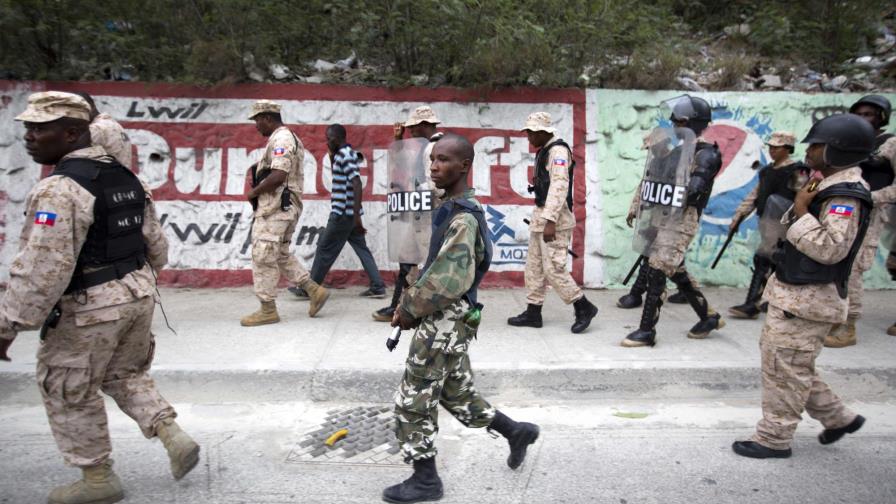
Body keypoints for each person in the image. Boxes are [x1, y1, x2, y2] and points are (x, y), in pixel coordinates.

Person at [0, 91, 199, 504]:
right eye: (28, 128)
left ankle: (97, 479)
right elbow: (157, 247)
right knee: (124, 374)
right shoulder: (126, 177)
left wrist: (7, 325)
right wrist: (134, 283)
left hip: (91, 306)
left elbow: (42, 271)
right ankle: (172, 434)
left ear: (73, 133)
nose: (30, 137)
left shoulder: (59, 190)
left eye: (41, 129)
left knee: (67, 386)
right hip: (136, 293)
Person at [384, 134, 539, 504]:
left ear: (464, 166)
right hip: (450, 318)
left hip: (444, 318)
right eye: (432, 159)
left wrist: (409, 309)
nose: (434, 166)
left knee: (414, 398)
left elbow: (447, 280)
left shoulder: (463, 217)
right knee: (456, 392)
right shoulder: (452, 206)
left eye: (444, 160)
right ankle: (515, 431)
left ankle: (425, 481)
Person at [733, 113, 875, 459]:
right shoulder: (823, 184)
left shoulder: (845, 195)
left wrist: (800, 207)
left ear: (837, 150)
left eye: (816, 146)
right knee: (788, 364)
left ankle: (774, 438)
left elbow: (830, 248)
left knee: (786, 366)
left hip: (809, 299)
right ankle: (838, 418)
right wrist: (803, 202)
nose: (808, 152)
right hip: (796, 294)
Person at [622, 95, 725, 347]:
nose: (675, 125)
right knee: (676, 271)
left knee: (657, 270)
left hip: (682, 220)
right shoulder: (678, 151)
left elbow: (694, 189)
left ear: (693, 123)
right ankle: (708, 317)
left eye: (680, 122)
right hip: (663, 218)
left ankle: (647, 330)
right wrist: (640, 206)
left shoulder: (706, 154)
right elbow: (655, 179)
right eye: (675, 121)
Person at [506, 112, 599, 333]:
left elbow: (559, 186)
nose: (528, 137)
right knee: (535, 267)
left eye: (531, 132)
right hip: (541, 216)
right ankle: (533, 312)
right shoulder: (545, 150)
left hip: (555, 220)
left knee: (554, 269)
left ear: (542, 132)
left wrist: (550, 221)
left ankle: (583, 307)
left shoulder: (558, 152)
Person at [242, 100, 328, 326]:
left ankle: (267, 309)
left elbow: (279, 175)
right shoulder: (285, 137)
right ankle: (314, 290)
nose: (256, 126)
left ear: (267, 118)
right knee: (279, 254)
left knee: (263, 254)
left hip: (276, 208)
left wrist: (254, 192)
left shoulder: (282, 139)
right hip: (283, 207)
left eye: (257, 121)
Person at [824, 95, 896, 346]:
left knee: (853, 268)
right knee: (835, 262)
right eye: (859, 114)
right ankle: (836, 317)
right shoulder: (851, 144)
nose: (863, 118)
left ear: (881, 118)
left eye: (869, 114)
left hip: (869, 214)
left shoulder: (890, 144)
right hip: (842, 211)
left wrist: (870, 197)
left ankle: (849, 326)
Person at [296, 124, 385, 298]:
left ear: (337, 138)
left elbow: (356, 183)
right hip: (349, 214)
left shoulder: (345, 155)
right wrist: (331, 155)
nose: (327, 141)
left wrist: (356, 215)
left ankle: (310, 289)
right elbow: (341, 176)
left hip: (342, 213)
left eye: (329, 138)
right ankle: (378, 286)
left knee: (324, 249)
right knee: (361, 248)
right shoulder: (343, 154)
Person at [372, 105, 444, 321]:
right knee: (406, 259)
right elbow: (406, 168)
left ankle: (430, 308)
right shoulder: (426, 147)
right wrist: (398, 139)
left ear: (425, 125)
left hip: (431, 216)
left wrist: (417, 195)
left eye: (413, 126)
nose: (410, 129)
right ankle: (402, 306)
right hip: (420, 215)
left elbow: (436, 186)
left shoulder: (435, 148)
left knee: (431, 264)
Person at [728, 131, 808, 319]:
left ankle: (752, 304)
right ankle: (770, 300)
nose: (772, 150)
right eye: (771, 147)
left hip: (785, 224)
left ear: (788, 148)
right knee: (773, 261)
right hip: (766, 221)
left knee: (765, 259)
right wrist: (738, 217)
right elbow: (756, 195)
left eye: (777, 147)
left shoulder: (797, 171)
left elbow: (802, 197)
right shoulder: (767, 171)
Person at [74, 91, 133, 167]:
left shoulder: (96, 129)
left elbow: (77, 161)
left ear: (91, 106)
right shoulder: (115, 125)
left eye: (79, 111)